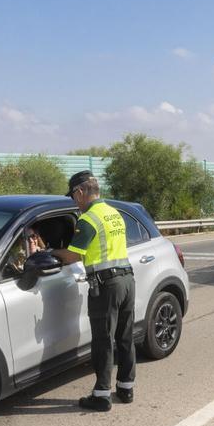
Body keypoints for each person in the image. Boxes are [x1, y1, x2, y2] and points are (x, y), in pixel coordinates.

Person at [52, 171, 136, 411]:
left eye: (73, 197)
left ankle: (101, 395)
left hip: (106, 285)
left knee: (103, 340)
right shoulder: (113, 213)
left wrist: (49, 252)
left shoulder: (89, 219)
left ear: (80, 192)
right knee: (125, 337)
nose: (74, 202)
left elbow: (72, 255)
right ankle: (126, 388)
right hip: (127, 281)